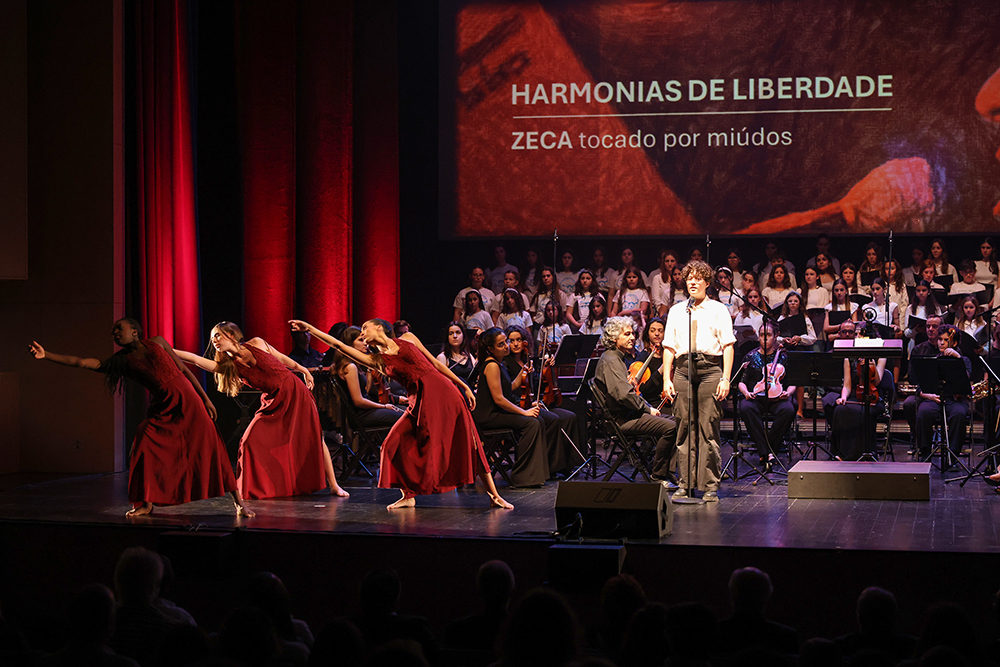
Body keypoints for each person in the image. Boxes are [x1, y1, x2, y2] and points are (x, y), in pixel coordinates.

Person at [29, 318, 250, 517]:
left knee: (212, 447)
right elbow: (84, 362)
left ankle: (238, 503)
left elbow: (183, 370)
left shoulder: (158, 342)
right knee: (143, 442)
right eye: (113, 331)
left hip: (189, 402)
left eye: (119, 328)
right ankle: (145, 503)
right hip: (163, 407)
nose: (115, 332)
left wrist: (206, 399)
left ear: (135, 331)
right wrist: (46, 355)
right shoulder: (122, 360)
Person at [290, 318, 513, 510]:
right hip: (418, 402)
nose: (363, 334)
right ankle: (408, 495)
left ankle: (494, 495)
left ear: (379, 328)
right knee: (392, 443)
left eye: (365, 328)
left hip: (442, 394)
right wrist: (310, 328)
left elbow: (435, 363)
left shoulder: (408, 339)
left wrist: (462, 385)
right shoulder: (376, 360)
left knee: (468, 440)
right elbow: (337, 344)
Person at [176, 322, 348, 499]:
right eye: (213, 339)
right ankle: (254, 488)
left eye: (218, 335)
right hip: (273, 401)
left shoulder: (257, 343)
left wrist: (303, 369)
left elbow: (281, 358)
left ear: (232, 335)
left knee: (315, 438)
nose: (215, 341)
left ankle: (334, 485)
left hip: (295, 393)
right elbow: (195, 359)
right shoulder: (230, 367)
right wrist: (166, 350)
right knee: (249, 441)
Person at [663, 261, 735, 500]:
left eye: (697, 278)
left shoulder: (718, 309)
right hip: (683, 369)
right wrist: (667, 379)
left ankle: (710, 485)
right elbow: (669, 348)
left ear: (706, 282)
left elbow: (727, 346)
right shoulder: (677, 310)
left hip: (709, 369)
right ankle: (685, 483)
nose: (692, 282)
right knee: (684, 428)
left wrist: (725, 378)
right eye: (689, 278)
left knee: (708, 428)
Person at [593, 316, 678, 482]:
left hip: (628, 414)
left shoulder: (617, 358)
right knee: (671, 427)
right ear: (613, 337)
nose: (632, 337)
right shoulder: (611, 360)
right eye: (627, 334)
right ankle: (658, 474)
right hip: (621, 420)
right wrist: (648, 409)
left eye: (632, 333)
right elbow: (624, 395)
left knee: (677, 422)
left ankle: (666, 470)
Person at [821, 320, 887, 461]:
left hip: (874, 398)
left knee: (861, 411)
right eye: (856, 335)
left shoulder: (881, 354)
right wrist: (843, 397)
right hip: (854, 397)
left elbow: (877, 381)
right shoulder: (849, 354)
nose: (856, 338)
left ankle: (858, 454)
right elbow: (847, 385)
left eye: (860, 335)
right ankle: (840, 453)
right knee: (840, 409)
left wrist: (872, 365)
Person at [738, 322, 797, 471]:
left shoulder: (783, 357)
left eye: (768, 335)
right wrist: (746, 393)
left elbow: (793, 382)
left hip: (777, 398)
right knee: (745, 407)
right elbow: (741, 382)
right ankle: (765, 452)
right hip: (756, 397)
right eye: (762, 335)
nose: (765, 339)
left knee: (789, 409)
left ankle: (769, 449)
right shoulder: (750, 356)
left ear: (776, 336)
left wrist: (788, 393)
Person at [913, 324, 972, 465]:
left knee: (958, 414)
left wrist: (957, 358)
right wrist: (929, 396)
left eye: (946, 340)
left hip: (955, 400)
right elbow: (921, 387)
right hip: (935, 399)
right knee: (923, 412)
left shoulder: (964, 360)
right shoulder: (933, 360)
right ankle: (925, 452)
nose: (941, 342)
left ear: (955, 343)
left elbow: (966, 381)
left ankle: (953, 456)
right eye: (940, 339)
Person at [902, 315, 943, 455]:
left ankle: (925, 438)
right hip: (922, 392)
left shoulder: (946, 348)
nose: (930, 329)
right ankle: (919, 437)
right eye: (928, 326)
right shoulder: (918, 350)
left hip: (942, 393)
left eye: (934, 326)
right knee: (908, 404)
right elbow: (912, 377)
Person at [611, 267, 651, 335]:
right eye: (629, 277)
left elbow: (643, 309)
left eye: (634, 277)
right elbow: (614, 312)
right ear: (625, 279)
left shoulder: (642, 292)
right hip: (622, 326)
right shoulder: (620, 292)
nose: (631, 279)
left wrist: (624, 313)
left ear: (638, 279)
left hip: (637, 325)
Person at [437, 322, 477, 387]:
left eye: (458, 332)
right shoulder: (443, 357)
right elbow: (442, 382)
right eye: (451, 334)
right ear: (447, 337)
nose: (455, 336)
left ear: (463, 335)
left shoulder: (468, 355)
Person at [649, 249, 679, 317]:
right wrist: (662, 311)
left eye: (672, 261)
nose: (670, 264)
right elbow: (656, 299)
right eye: (667, 261)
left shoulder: (679, 278)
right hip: (663, 314)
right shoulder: (657, 278)